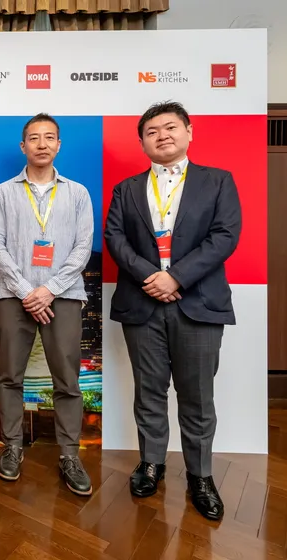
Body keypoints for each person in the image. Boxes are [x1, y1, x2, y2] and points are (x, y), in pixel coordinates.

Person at [105, 101, 241, 521]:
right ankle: (151, 464)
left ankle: (200, 476)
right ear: (142, 142)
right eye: (152, 131)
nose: (162, 135)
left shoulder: (217, 181)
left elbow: (225, 236)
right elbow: (115, 238)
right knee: (148, 391)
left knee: (197, 396)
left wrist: (176, 277)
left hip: (198, 304)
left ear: (189, 132)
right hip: (142, 303)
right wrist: (152, 276)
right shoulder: (127, 189)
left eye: (170, 128)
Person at [0, 113, 94, 496]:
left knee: (67, 381)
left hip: (63, 296)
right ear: (23, 146)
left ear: (59, 145)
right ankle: (12, 447)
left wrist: (48, 289)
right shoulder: (4, 192)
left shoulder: (78, 193)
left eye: (49, 137)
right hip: (14, 296)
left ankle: (69, 455)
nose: (42, 144)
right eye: (34, 138)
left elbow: (83, 247)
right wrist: (25, 291)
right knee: (9, 376)